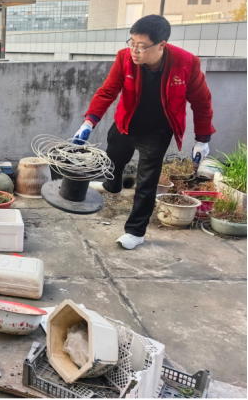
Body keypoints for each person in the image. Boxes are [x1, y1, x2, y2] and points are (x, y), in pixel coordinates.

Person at [72, 15, 215, 250]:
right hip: (125, 122)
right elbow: (107, 91)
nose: (134, 50)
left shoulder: (186, 63)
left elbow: (202, 101)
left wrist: (202, 139)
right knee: (113, 159)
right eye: (132, 42)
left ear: (161, 45)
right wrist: (89, 122)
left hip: (157, 131)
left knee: (147, 182)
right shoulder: (124, 57)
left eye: (141, 46)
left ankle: (135, 231)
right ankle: (112, 185)